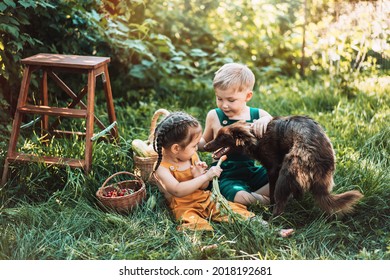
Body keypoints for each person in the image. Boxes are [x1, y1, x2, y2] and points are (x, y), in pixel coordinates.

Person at [152, 111, 256, 231]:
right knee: (194, 223)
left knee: (231, 209)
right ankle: (202, 245)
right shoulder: (161, 167)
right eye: (194, 145)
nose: (197, 148)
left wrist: (199, 176)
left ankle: (261, 224)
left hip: (204, 199)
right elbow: (177, 190)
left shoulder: (192, 156)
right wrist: (205, 176)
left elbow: (203, 187)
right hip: (183, 206)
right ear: (176, 148)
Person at [198, 63, 272, 206]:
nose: (224, 105)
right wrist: (192, 143)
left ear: (248, 96)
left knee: (285, 176)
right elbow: (204, 143)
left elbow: (277, 129)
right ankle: (265, 200)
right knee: (239, 195)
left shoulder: (258, 115)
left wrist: (267, 120)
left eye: (231, 100)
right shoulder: (214, 116)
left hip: (251, 171)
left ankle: (255, 198)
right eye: (219, 98)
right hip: (226, 175)